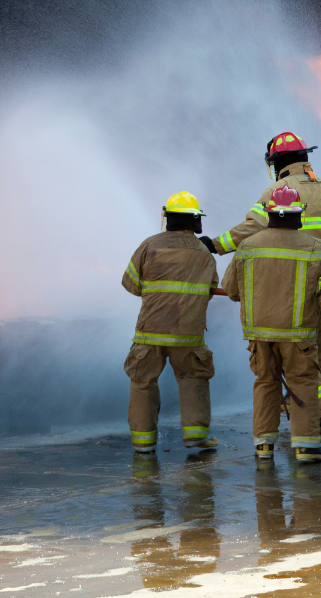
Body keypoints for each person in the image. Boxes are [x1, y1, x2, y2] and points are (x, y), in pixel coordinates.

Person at [210, 132, 321, 447]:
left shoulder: (277, 191)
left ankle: (308, 428)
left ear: (275, 163)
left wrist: (214, 244)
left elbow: (251, 228)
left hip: (293, 295)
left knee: (297, 363)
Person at [222, 184, 321, 462]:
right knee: (302, 382)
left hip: (258, 334)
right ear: (299, 214)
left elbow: (230, 289)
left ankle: (263, 446)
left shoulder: (247, 246)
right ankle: (306, 447)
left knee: (265, 382)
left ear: (269, 213)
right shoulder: (314, 246)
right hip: (297, 333)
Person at [120, 191, 220, 453]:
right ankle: (196, 435)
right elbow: (211, 288)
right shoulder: (203, 253)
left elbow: (129, 283)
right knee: (194, 377)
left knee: (143, 382)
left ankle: (143, 445)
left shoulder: (149, 245)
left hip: (149, 332)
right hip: (188, 335)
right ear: (196, 221)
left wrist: (156, 295)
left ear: (168, 217)